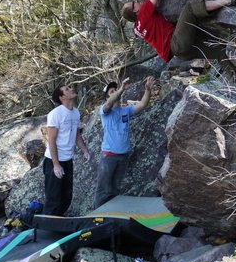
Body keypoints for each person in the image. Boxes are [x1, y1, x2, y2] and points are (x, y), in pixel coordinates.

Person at [121, 0, 236, 63]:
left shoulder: (137, 28)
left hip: (181, 54)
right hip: (177, 43)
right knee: (190, 8)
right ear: (135, 10)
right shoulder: (143, 14)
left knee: (219, 51)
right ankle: (227, 0)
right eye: (133, 3)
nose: (136, 1)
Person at [94, 76, 155, 208]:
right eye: (111, 91)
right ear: (107, 97)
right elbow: (110, 103)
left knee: (115, 188)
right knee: (103, 188)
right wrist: (121, 89)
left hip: (123, 156)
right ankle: (96, 214)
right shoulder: (105, 111)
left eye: (115, 90)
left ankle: (111, 214)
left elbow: (142, 105)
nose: (115, 92)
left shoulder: (125, 110)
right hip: (109, 156)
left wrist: (148, 90)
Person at [43, 84, 91, 216]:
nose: (71, 89)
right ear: (62, 97)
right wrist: (56, 165)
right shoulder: (55, 114)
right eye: (67, 89)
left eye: (70, 87)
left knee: (66, 196)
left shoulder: (75, 112)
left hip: (68, 160)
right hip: (53, 161)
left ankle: (58, 223)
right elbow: (51, 140)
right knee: (53, 198)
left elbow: (77, 135)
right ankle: (46, 230)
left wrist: (85, 150)